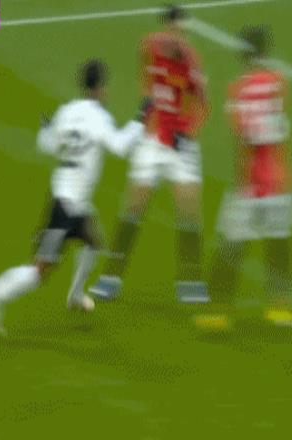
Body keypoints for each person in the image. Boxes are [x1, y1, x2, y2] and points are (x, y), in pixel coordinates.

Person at [0, 60, 145, 335]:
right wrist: (140, 118)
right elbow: (121, 146)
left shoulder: (67, 111)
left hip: (70, 201)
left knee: (93, 244)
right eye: (105, 86)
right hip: (65, 209)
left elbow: (47, 145)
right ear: (100, 87)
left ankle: (75, 296)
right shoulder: (99, 118)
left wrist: (46, 128)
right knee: (39, 272)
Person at [90, 5, 210, 303]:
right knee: (133, 208)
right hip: (153, 140)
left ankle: (190, 281)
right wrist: (149, 111)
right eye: (175, 30)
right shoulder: (149, 46)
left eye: (182, 32)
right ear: (166, 27)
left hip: (181, 144)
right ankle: (110, 277)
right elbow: (145, 79)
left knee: (189, 212)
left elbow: (203, 104)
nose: (179, 36)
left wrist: (188, 131)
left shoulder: (191, 60)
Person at [211, 25, 292, 327]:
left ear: (243, 52)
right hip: (279, 180)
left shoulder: (238, 89)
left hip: (250, 181)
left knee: (232, 246)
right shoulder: (280, 82)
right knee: (278, 245)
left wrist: (240, 183)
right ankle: (279, 309)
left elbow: (243, 138)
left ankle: (220, 312)